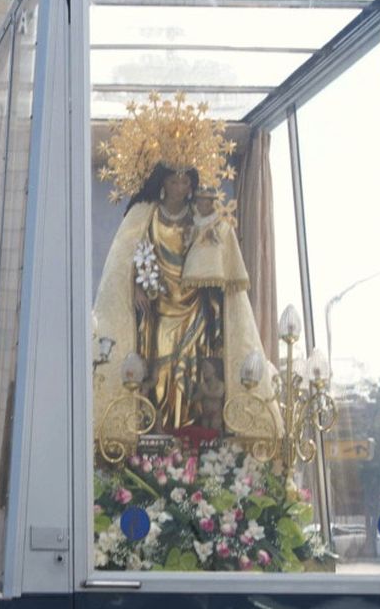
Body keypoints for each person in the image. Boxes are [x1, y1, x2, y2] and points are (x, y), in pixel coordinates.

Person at [92, 94, 276, 449]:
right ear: (163, 182)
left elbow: (219, 257)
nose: (182, 187)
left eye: (186, 181)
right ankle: (156, 430)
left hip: (195, 306)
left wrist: (213, 229)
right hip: (158, 307)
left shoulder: (201, 217)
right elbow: (123, 265)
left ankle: (192, 434)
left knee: (193, 369)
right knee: (159, 369)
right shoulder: (143, 215)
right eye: (175, 180)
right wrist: (136, 289)